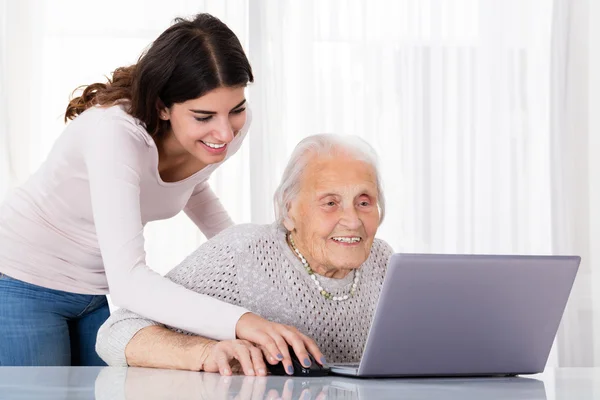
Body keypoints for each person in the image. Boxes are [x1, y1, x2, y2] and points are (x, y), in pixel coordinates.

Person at [0, 13, 314, 367]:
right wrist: (242, 321)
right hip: (22, 278)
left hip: (92, 292)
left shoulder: (222, 132)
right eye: (204, 116)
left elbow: (191, 185)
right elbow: (130, 282)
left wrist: (253, 260)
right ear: (162, 106)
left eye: (237, 109)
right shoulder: (115, 135)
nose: (225, 133)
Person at [96, 134, 394, 376]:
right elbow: (117, 332)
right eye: (330, 203)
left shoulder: (384, 262)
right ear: (289, 210)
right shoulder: (245, 253)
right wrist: (206, 352)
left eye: (364, 202)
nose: (352, 220)